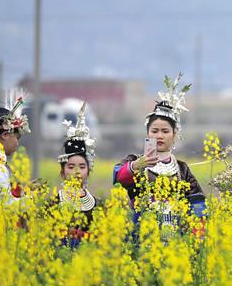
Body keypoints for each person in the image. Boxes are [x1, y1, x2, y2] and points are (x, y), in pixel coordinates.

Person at [113, 74, 205, 237]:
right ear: (147, 133)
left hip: (175, 240)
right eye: (154, 131)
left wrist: (197, 238)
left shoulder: (182, 169)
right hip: (143, 237)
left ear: (175, 135)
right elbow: (119, 179)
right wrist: (136, 166)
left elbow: (197, 204)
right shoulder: (134, 161)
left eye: (165, 131)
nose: (159, 136)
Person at [55, 102, 98, 244]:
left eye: (82, 166)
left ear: (89, 171)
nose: (77, 172)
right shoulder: (53, 204)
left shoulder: (98, 206)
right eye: (71, 167)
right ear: (62, 173)